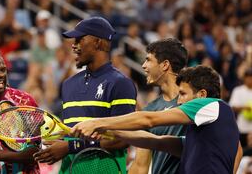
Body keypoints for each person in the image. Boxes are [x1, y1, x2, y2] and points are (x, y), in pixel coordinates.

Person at [71, 65, 242, 174]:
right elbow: (156, 142)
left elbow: (149, 119)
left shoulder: (213, 106)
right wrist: (110, 131)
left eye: (183, 93)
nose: (179, 100)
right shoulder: (203, 134)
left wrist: (97, 122)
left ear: (202, 94)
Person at [33, 16, 137, 173]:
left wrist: (69, 146)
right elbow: (71, 134)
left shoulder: (121, 83)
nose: (73, 46)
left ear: (98, 42)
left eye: (79, 40)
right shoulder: (68, 84)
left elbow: (122, 140)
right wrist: (56, 142)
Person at [130, 38, 188, 174]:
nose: (143, 65)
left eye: (148, 60)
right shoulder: (150, 110)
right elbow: (140, 165)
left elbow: (234, 148)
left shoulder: (195, 101)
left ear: (165, 65)